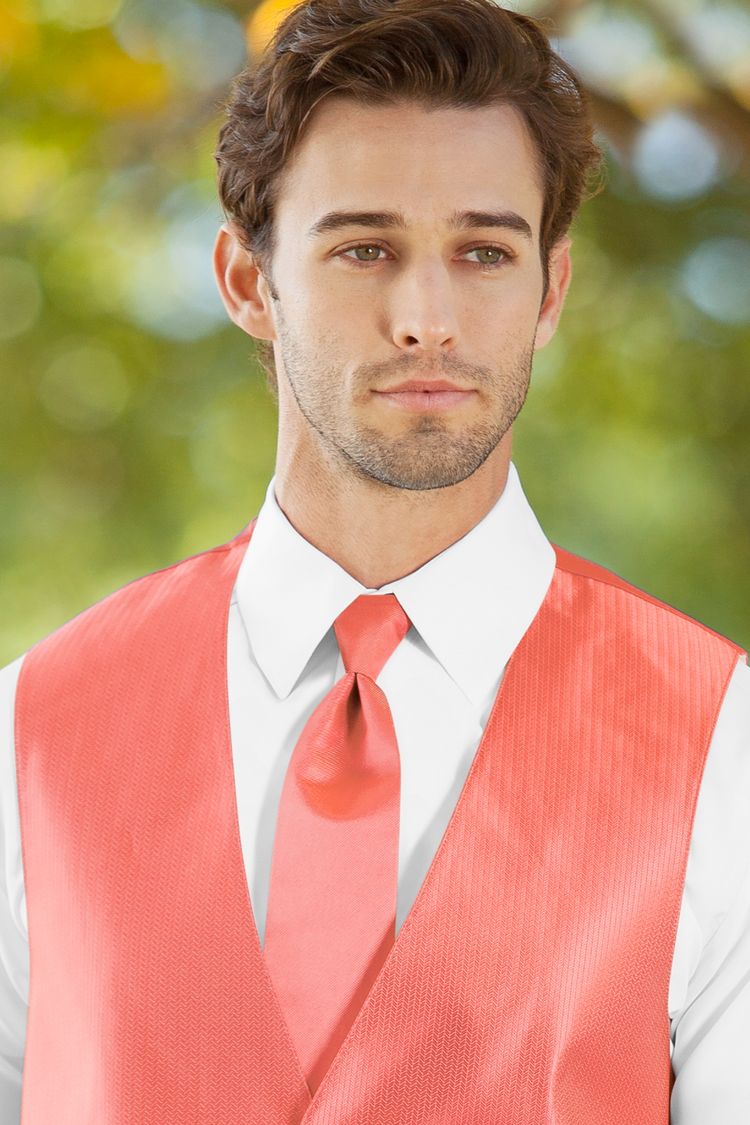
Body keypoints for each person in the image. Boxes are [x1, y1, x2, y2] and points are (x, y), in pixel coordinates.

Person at [1, 0, 748, 1120]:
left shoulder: (726, 748)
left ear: (550, 292)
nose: (426, 316)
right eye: (365, 247)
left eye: (484, 251)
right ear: (249, 283)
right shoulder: (29, 733)